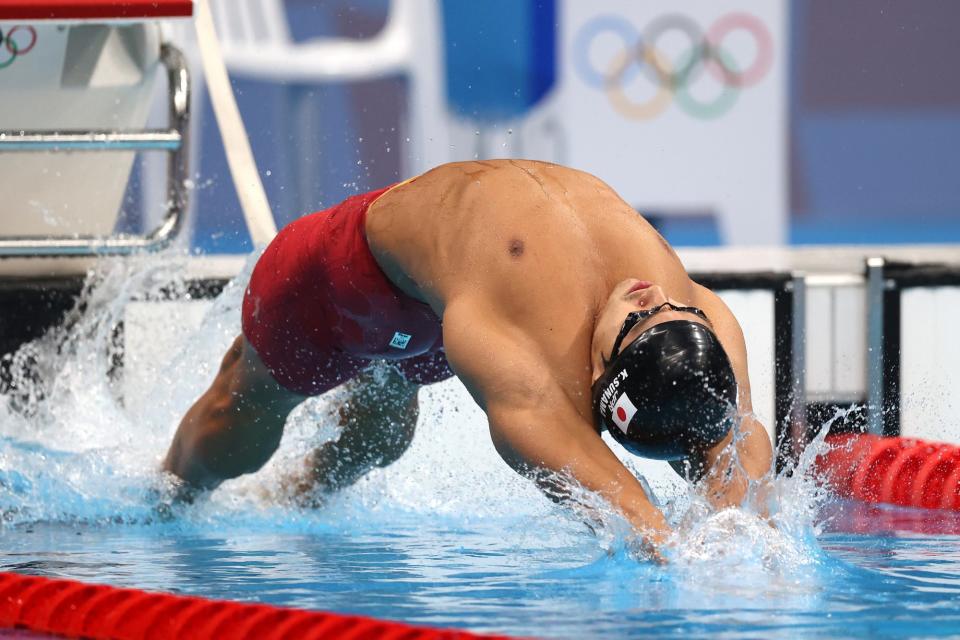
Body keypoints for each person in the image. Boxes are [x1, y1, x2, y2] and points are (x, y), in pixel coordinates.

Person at [163, 159, 773, 555]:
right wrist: (688, 542)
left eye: (636, 322)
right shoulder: (699, 317)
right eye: (674, 313)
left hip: (457, 304)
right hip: (340, 280)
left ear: (597, 376)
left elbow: (726, 469)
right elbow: (643, 517)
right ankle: (164, 494)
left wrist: (726, 539)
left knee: (378, 439)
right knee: (241, 419)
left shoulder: (529, 358)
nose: (651, 294)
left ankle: (296, 499)